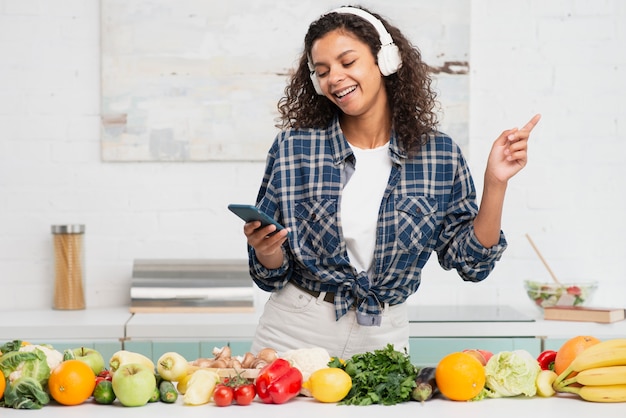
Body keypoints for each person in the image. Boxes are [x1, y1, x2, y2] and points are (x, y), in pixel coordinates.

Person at [241, 5, 540, 359]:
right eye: (322, 71)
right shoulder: (294, 149)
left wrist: (495, 182)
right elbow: (270, 276)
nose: (334, 77)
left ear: (386, 60)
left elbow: (472, 263)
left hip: (383, 333)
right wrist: (267, 249)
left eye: (347, 62)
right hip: (296, 328)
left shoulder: (438, 154)